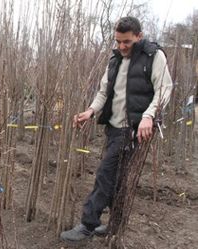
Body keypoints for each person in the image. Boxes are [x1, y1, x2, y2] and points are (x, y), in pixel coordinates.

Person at [60, 16, 173, 242]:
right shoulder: (114, 60)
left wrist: (148, 116)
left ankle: (88, 224)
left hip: (132, 130)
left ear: (139, 37)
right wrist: (90, 111)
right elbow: (104, 92)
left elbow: (164, 89)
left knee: (105, 174)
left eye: (127, 42)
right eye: (118, 41)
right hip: (113, 128)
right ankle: (114, 225)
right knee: (118, 179)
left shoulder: (153, 56)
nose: (122, 47)